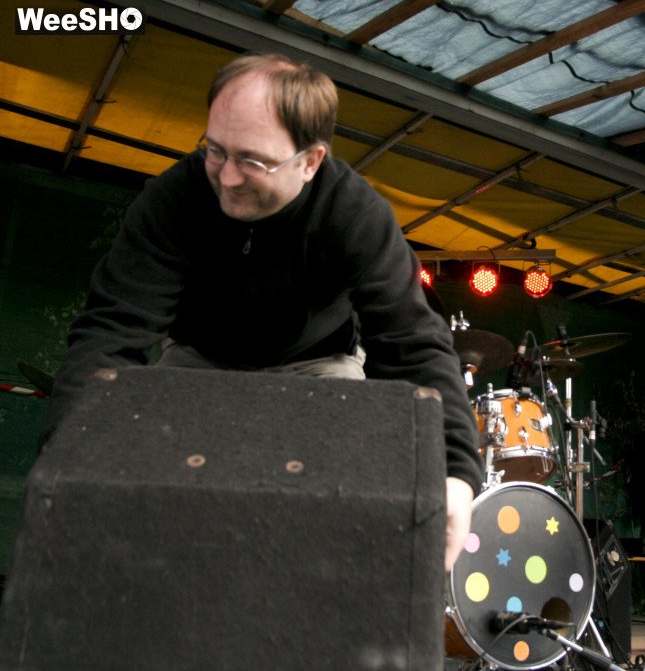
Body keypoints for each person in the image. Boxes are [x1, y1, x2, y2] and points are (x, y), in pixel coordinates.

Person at [42, 53, 483, 572]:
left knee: (329, 517)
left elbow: (413, 343)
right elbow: (113, 329)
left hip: (318, 364)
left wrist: (454, 472)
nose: (227, 178)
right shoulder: (173, 199)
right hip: (199, 360)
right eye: (215, 150)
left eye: (252, 160)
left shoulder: (356, 214)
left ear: (310, 161)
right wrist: (69, 451)